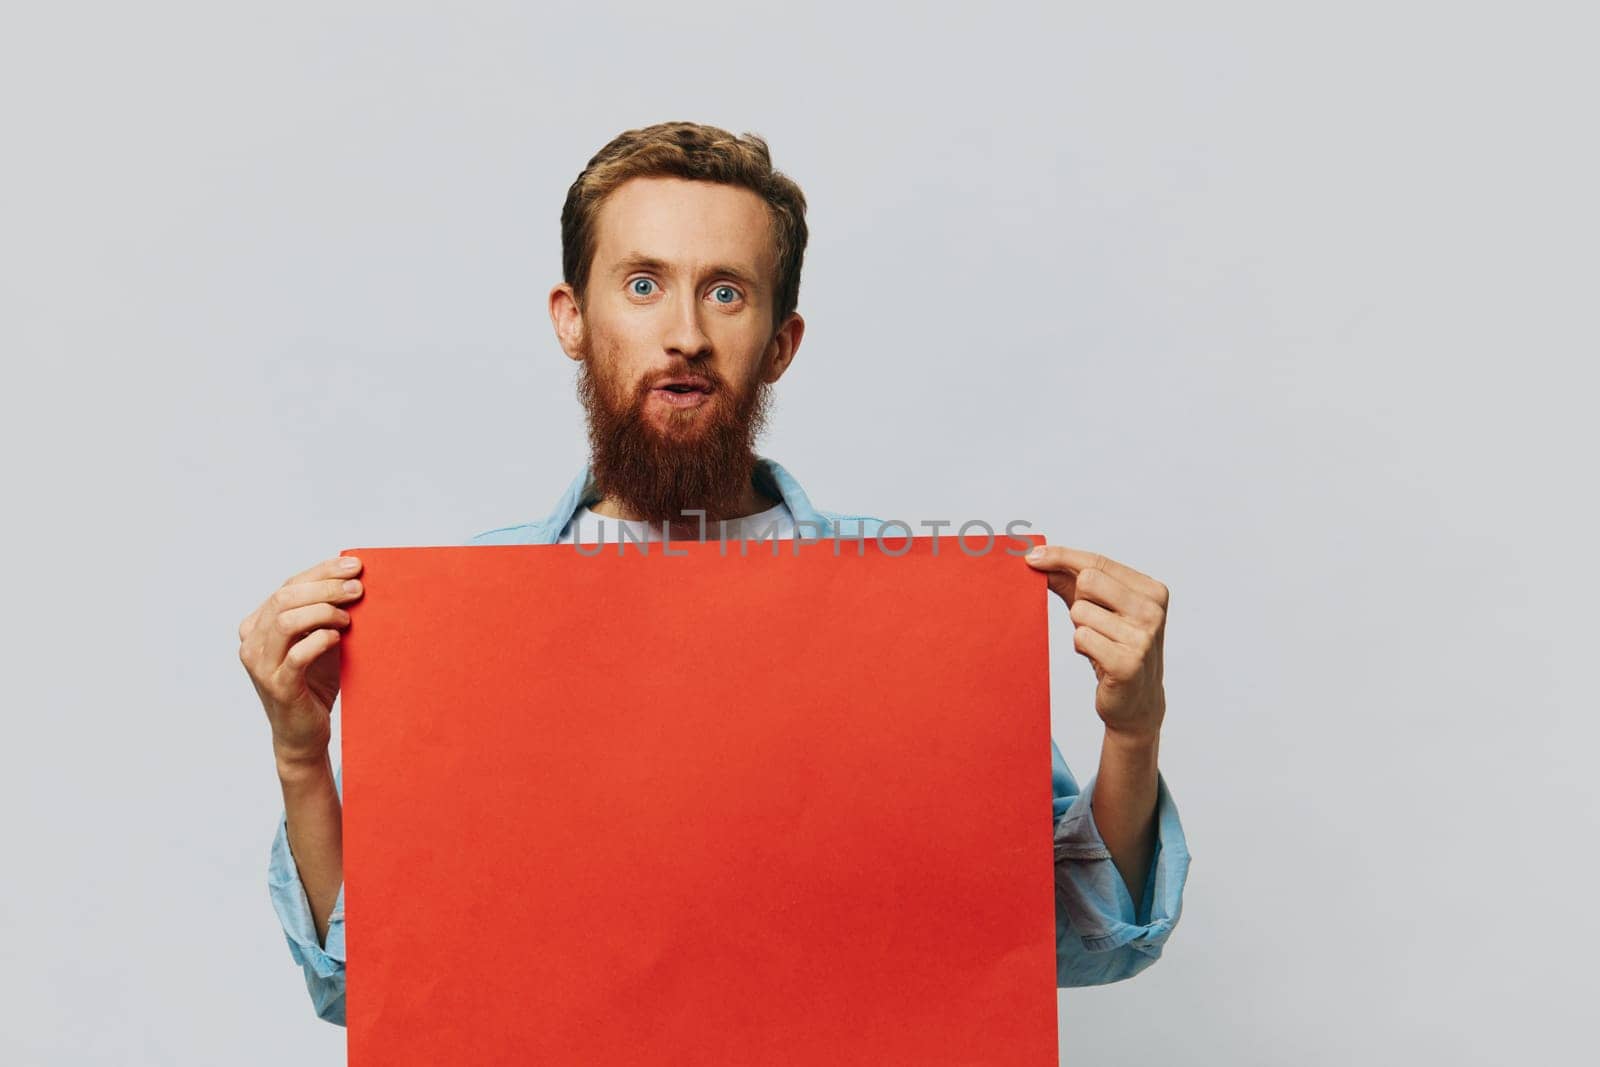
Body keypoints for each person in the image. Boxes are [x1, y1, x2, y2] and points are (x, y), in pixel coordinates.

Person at [238, 121, 1192, 1028]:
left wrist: (1133, 728)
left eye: (727, 291)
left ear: (781, 342)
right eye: (643, 283)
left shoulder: (904, 605)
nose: (685, 331)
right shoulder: (464, 611)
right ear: (573, 318)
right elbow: (368, 981)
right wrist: (298, 756)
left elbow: (1083, 937)